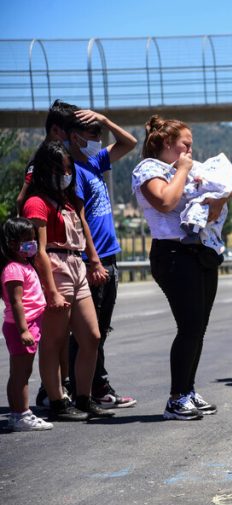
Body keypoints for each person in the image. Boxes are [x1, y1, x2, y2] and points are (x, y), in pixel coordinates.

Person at [132, 115, 232, 420]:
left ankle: (188, 390)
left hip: (201, 252)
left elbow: (230, 182)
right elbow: (165, 201)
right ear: (167, 143)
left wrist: (218, 201)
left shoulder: (188, 167)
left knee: (199, 327)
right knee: (189, 327)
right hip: (173, 253)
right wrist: (182, 170)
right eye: (185, 144)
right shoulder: (148, 169)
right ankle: (176, 397)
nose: (190, 150)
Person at [22, 141, 113, 421]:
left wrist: (93, 261)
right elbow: (39, 250)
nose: (65, 175)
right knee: (54, 340)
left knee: (92, 336)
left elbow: (83, 231)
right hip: (55, 267)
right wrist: (51, 291)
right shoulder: (36, 203)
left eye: (67, 170)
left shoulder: (69, 200)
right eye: (59, 170)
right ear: (45, 170)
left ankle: (84, 398)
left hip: (76, 265)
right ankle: (57, 401)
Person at [65, 106, 139, 410]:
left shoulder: (94, 161)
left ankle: (94, 386)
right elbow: (80, 217)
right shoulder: (74, 171)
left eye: (99, 133)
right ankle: (88, 388)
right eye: (92, 133)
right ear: (74, 137)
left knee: (100, 330)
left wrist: (105, 120)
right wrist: (93, 260)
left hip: (109, 257)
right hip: (92, 261)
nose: (98, 138)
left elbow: (129, 143)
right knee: (88, 333)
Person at [0, 218, 53, 431]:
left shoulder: (23, 264)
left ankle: (16, 414)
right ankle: (22, 414)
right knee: (21, 374)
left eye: (33, 239)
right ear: (12, 243)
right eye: (28, 240)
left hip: (29, 324)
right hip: (22, 326)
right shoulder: (13, 269)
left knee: (20, 372)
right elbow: (16, 302)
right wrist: (23, 330)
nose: (33, 243)